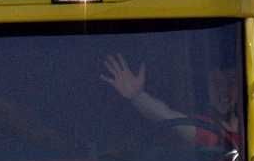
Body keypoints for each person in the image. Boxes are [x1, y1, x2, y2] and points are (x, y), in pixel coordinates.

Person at [101, 54, 242, 155]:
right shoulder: (207, 128)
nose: (224, 90)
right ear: (207, 88)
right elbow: (168, 116)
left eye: (231, 82)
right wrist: (137, 96)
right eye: (216, 83)